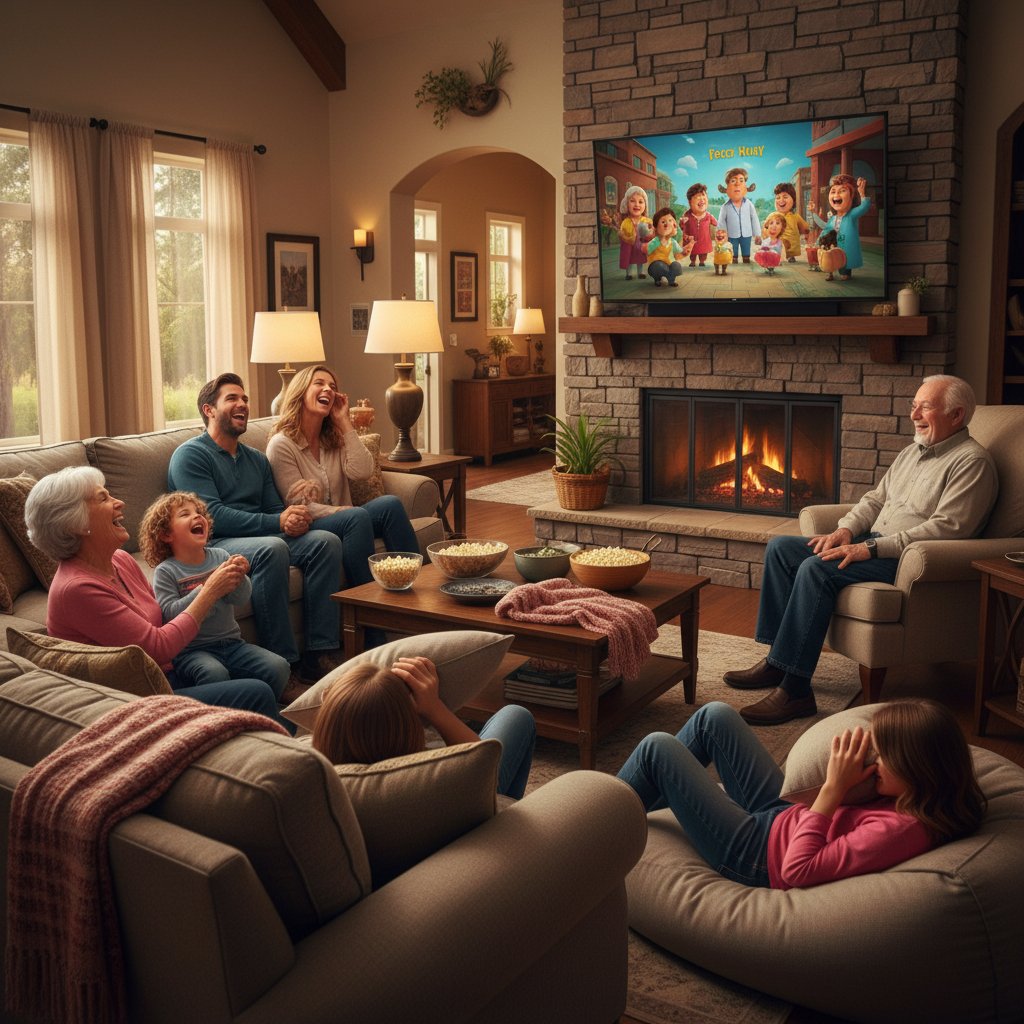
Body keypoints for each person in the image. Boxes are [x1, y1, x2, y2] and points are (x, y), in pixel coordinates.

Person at [726, 375, 998, 725]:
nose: (913, 413)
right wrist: (845, 529)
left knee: (816, 569)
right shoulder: (911, 452)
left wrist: (870, 547)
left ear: (957, 415)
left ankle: (795, 691)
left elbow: (948, 529)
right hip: (872, 540)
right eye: (913, 404)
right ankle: (777, 664)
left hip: (906, 560)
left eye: (924, 406)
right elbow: (874, 500)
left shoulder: (972, 463)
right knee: (781, 549)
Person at [616, 698, 986, 889]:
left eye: (883, 756)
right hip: (781, 819)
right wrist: (854, 786)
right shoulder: (910, 795)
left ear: (917, 768)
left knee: (657, 748)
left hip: (757, 856)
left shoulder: (900, 831)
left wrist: (834, 787)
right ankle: (645, 802)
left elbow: (796, 871)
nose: (875, 761)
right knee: (715, 715)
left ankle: (595, 820)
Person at [23, 466, 287, 726]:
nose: (120, 502)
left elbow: (160, 617)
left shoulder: (120, 559)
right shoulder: (76, 590)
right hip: (134, 701)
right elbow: (158, 648)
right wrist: (209, 590)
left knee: (270, 671)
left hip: (167, 674)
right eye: (103, 498)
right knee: (256, 693)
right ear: (75, 522)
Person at [167, 372, 345, 682]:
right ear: (209, 410)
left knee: (325, 541)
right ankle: (285, 664)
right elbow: (212, 518)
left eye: (245, 399)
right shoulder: (191, 455)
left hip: (261, 535)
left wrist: (294, 517)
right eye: (232, 399)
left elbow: (274, 510)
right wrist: (278, 522)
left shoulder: (256, 460)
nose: (243, 404)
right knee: (272, 547)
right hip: (216, 543)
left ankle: (319, 654)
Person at [265, 364, 421, 595]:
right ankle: (367, 605)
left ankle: (416, 588)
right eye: (319, 383)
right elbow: (299, 506)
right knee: (355, 516)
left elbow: (363, 471)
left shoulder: (333, 437)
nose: (327, 389)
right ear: (300, 392)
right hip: (310, 525)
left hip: (347, 516)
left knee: (390, 504)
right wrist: (340, 512)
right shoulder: (282, 444)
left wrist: (344, 422)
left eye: (332, 386)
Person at [139, 490, 298, 703]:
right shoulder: (166, 571)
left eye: (199, 512)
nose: (196, 516)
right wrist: (208, 587)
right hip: (191, 651)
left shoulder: (220, 556)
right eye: (185, 514)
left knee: (279, 667)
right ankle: (224, 718)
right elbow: (169, 614)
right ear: (166, 535)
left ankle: (253, 706)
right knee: (215, 674)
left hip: (232, 644)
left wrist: (241, 577)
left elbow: (240, 599)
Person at [311, 656, 536, 799]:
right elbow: (486, 763)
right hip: (472, 819)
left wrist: (338, 703)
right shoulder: (431, 781)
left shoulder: (316, 780)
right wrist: (435, 709)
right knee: (516, 716)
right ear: (408, 728)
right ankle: (504, 814)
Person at [811, 173, 870, 281]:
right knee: (829, 258)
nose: (836, 195)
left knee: (844, 260)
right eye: (833, 191)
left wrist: (862, 194)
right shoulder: (833, 218)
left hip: (844, 245)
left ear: (852, 196)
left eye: (842, 191)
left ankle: (845, 272)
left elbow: (863, 207)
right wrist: (813, 214)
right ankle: (830, 273)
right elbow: (825, 226)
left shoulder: (851, 215)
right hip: (832, 243)